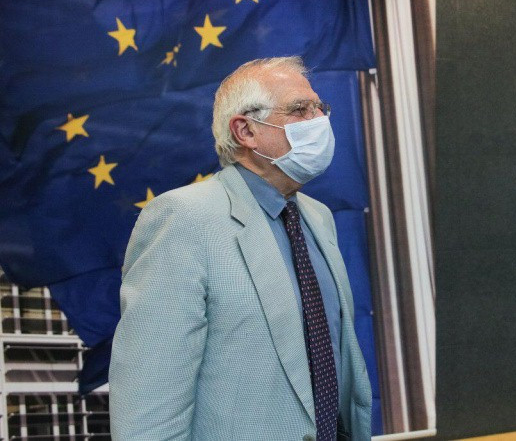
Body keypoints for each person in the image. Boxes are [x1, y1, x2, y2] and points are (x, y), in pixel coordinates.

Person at [109, 57, 371, 441]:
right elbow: (149, 409)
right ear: (245, 130)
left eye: (320, 108)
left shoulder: (318, 217)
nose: (319, 121)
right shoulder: (183, 217)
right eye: (300, 110)